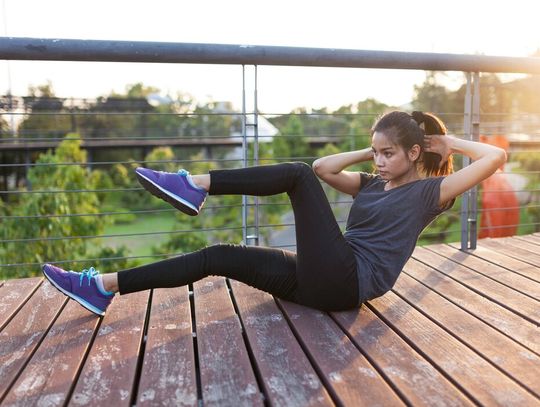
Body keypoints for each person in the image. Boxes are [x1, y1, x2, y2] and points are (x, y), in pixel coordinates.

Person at [42, 111, 506, 316]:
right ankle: (102, 287)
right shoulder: (372, 183)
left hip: (348, 281)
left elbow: (494, 159)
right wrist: (373, 153)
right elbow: (326, 168)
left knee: (296, 174)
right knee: (219, 254)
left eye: (389, 153)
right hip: (321, 278)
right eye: (376, 152)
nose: (380, 161)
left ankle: (194, 185)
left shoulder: (430, 193)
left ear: (414, 152)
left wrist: (448, 144)